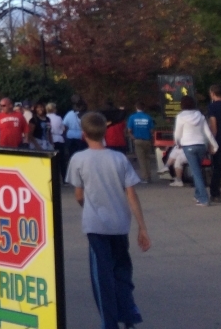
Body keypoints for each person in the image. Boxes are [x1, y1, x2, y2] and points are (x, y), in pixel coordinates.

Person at [66, 112, 150, 329]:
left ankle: (109, 323)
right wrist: (142, 227)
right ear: (105, 132)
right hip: (120, 224)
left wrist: (86, 207)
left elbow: (78, 194)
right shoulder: (119, 158)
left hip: (97, 227)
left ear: (83, 134)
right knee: (122, 271)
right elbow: (131, 194)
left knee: (102, 278)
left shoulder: (78, 159)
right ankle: (129, 313)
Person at [173, 95, 218, 207]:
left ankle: (203, 199)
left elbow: (177, 133)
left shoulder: (180, 117)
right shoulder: (200, 116)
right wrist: (214, 144)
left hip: (188, 145)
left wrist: (177, 142)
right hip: (201, 145)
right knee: (197, 170)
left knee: (196, 173)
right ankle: (198, 195)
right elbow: (207, 132)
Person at [126, 103, 155, 184]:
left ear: (136, 108)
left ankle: (145, 177)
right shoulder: (148, 117)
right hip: (147, 139)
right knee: (147, 159)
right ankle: (149, 176)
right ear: (144, 108)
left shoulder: (132, 117)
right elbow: (152, 130)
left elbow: (129, 130)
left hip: (137, 140)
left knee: (141, 160)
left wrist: (132, 137)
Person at [63, 99, 88, 179]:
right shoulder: (84, 114)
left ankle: (73, 174)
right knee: (82, 155)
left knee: (72, 156)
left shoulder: (69, 114)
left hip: (70, 136)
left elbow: (65, 125)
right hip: (80, 136)